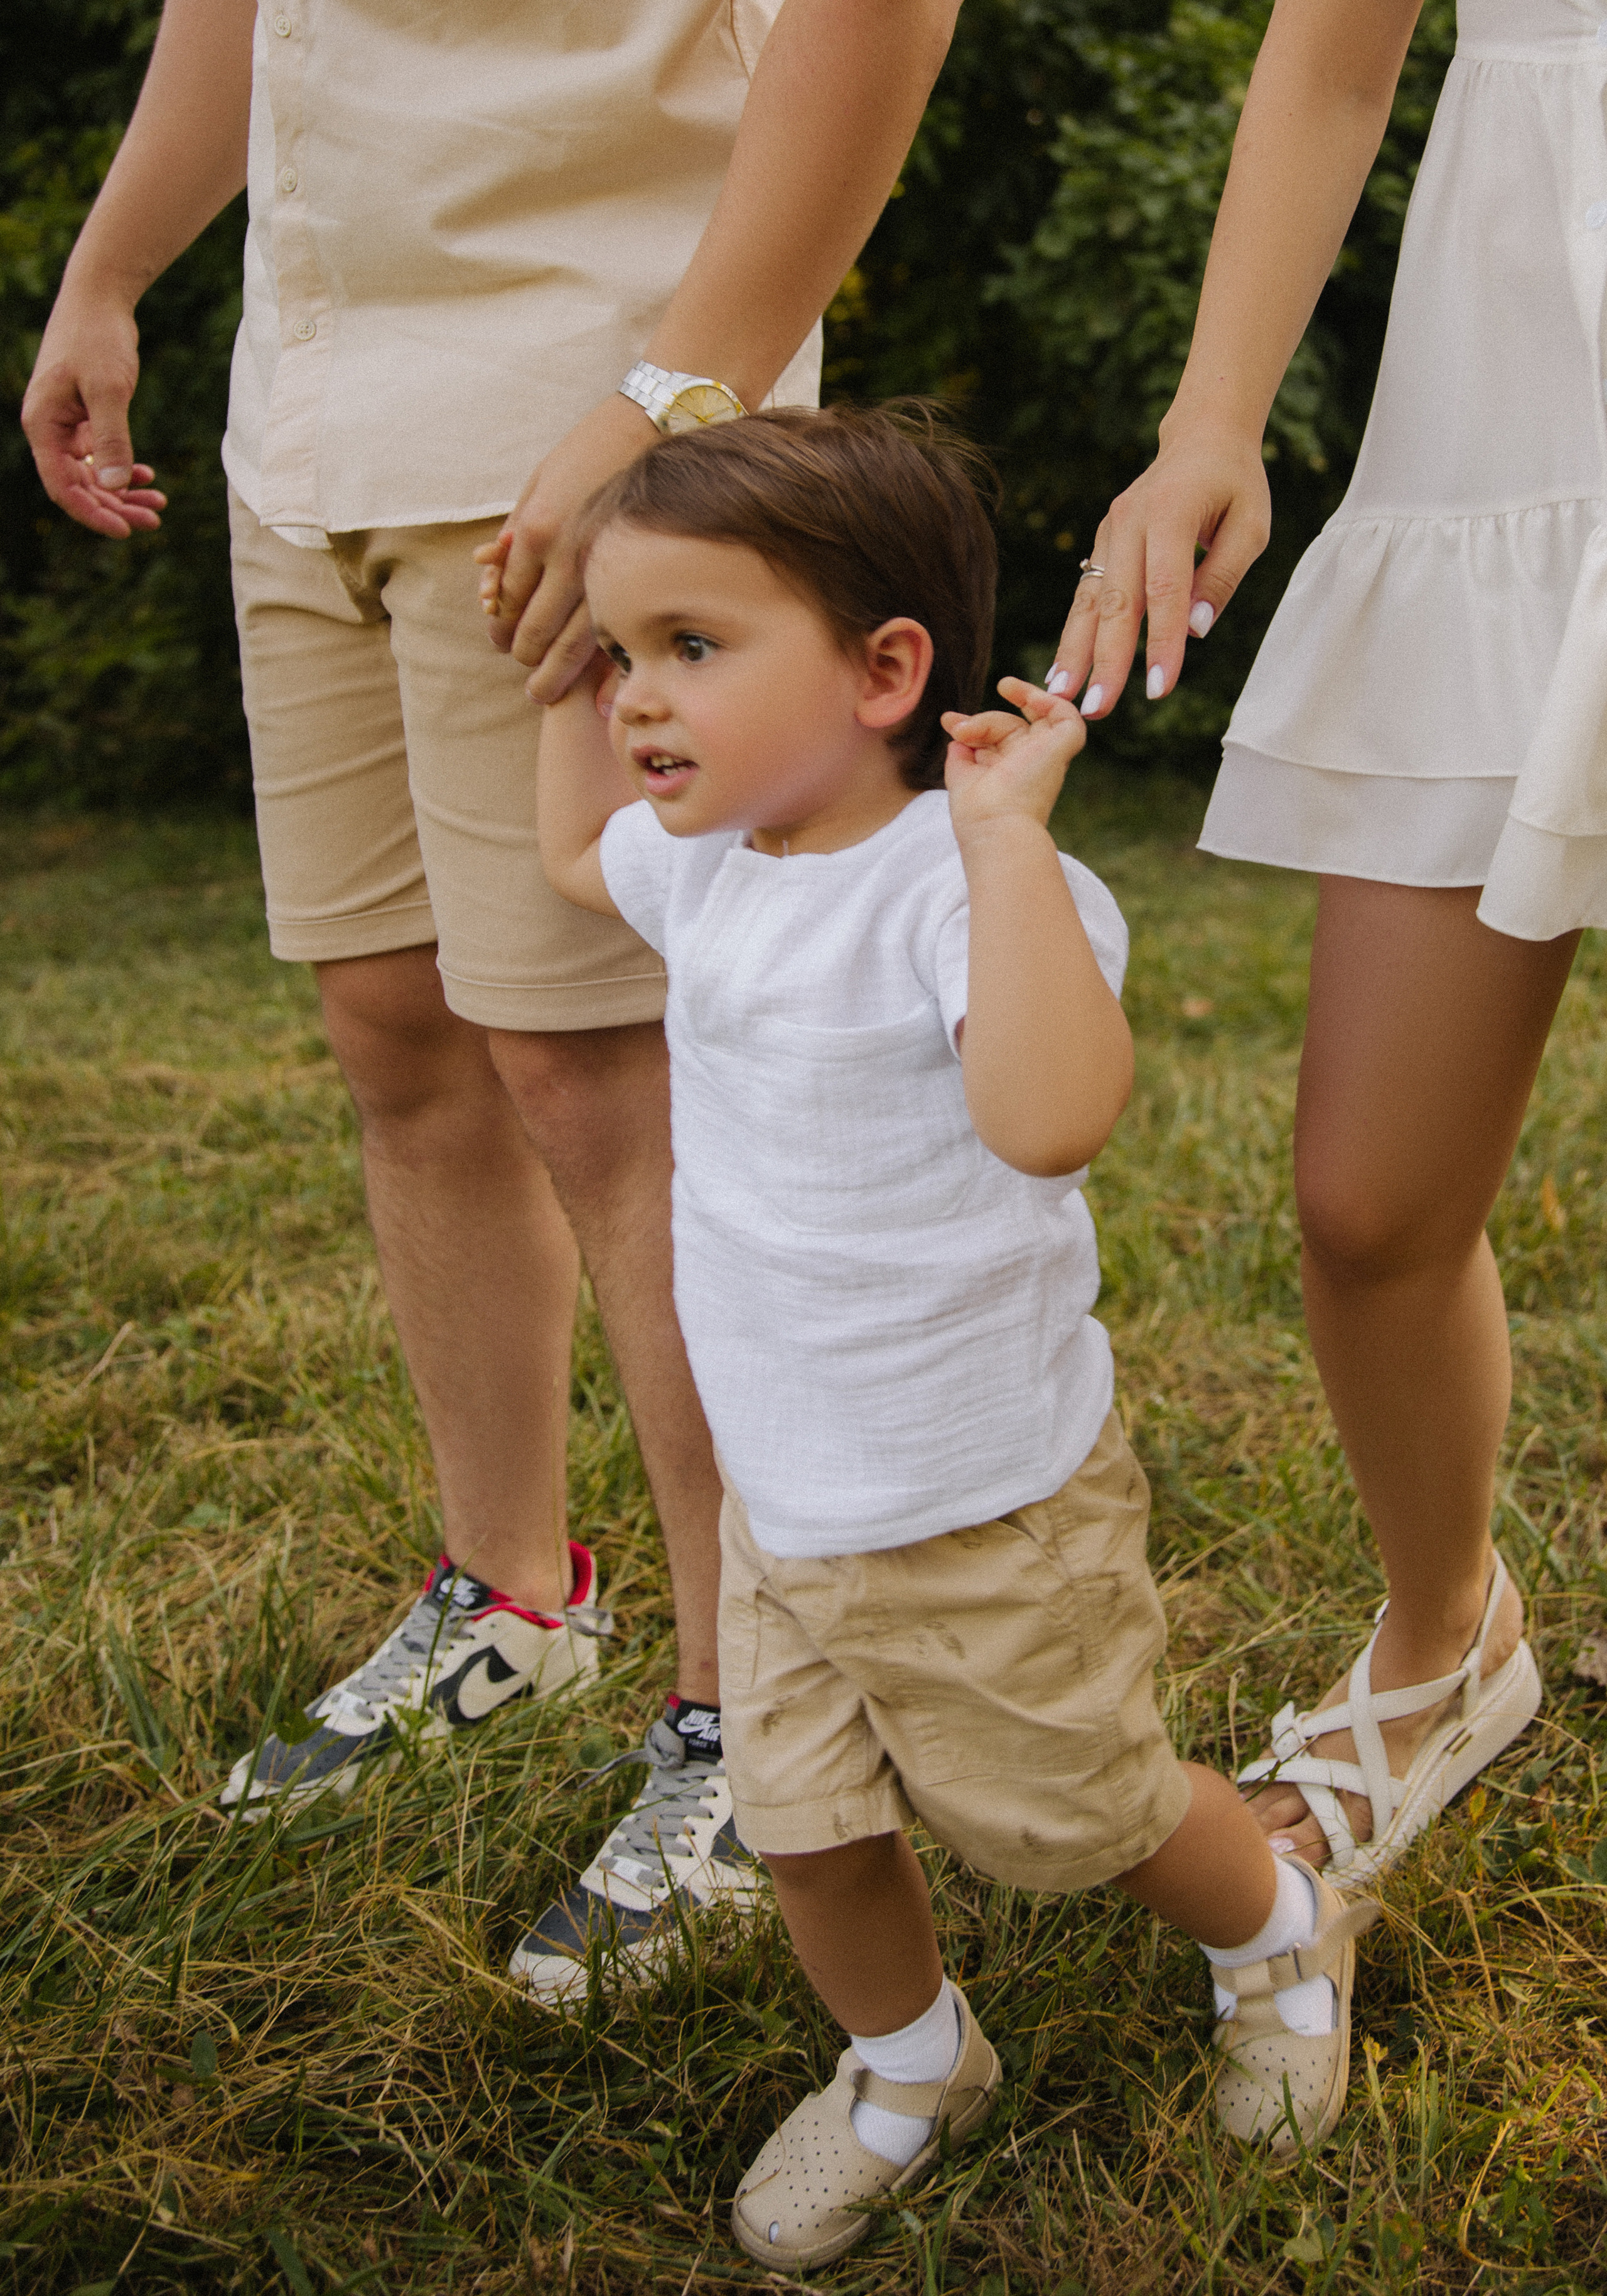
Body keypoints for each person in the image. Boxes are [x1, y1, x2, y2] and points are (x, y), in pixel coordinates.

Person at [19, 0, 961, 1978]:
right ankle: (514, 1593)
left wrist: (657, 413)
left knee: (609, 1082)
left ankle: (756, 1711)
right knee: (401, 1035)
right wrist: (110, 273)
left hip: (595, 428)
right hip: (312, 424)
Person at [535, 404, 1382, 2268]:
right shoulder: (713, 868)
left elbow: (1053, 1113)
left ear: (884, 670)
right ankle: (914, 2063)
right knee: (805, 1820)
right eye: (620, 658)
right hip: (785, 1502)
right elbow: (575, 856)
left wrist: (1003, 844)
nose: (633, 701)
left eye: (689, 647)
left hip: (979, 1502)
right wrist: (548, 649)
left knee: (1087, 1810)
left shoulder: (963, 885)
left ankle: (1273, 1921)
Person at [1043, 0, 1572, 1882]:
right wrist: (1212, 424)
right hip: (1517, 424)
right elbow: (1339, 54)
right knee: (1368, 1204)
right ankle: (1448, 1640)